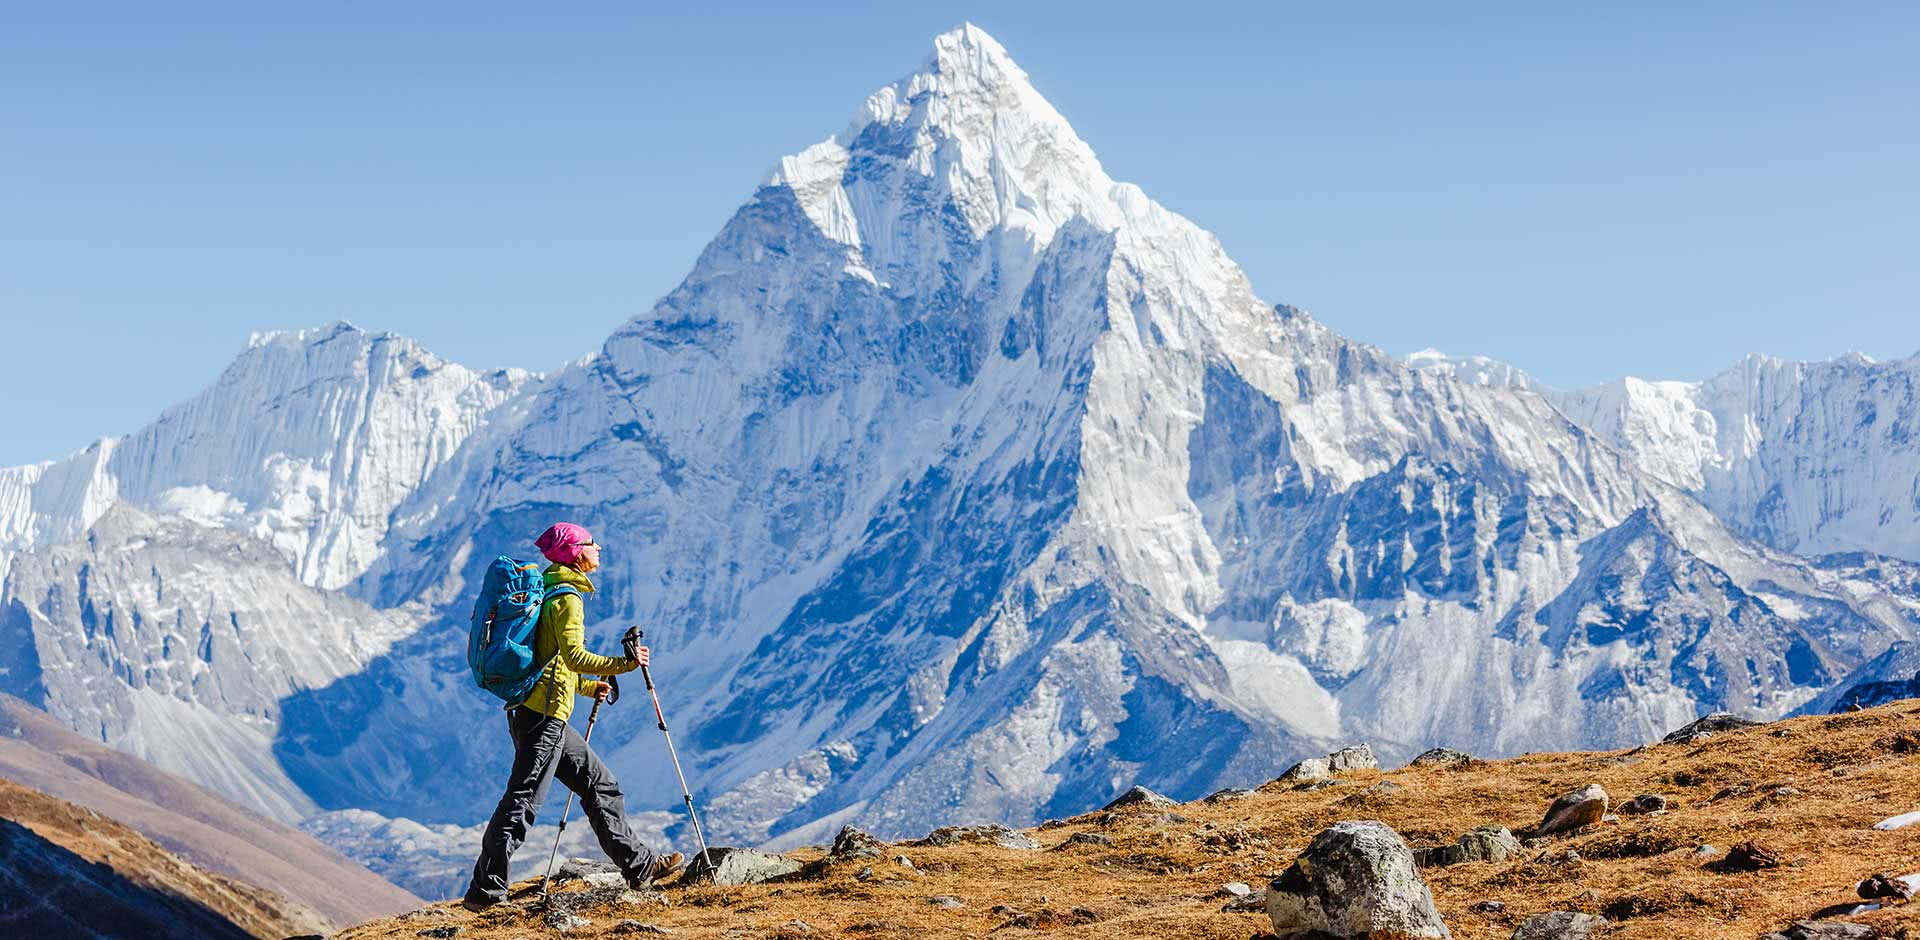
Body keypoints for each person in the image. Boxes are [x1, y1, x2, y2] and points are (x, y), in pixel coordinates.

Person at [462, 522, 684, 911]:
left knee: (601, 785)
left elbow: (553, 663)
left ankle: (641, 866)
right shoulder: (567, 599)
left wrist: (587, 688)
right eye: (591, 544)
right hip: (543, 718)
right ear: (575, 553)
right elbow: (574, 656)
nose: (598, 548)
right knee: (522, 803)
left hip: (539, 712)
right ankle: (485, 892)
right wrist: (625, 664)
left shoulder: (550, 589)